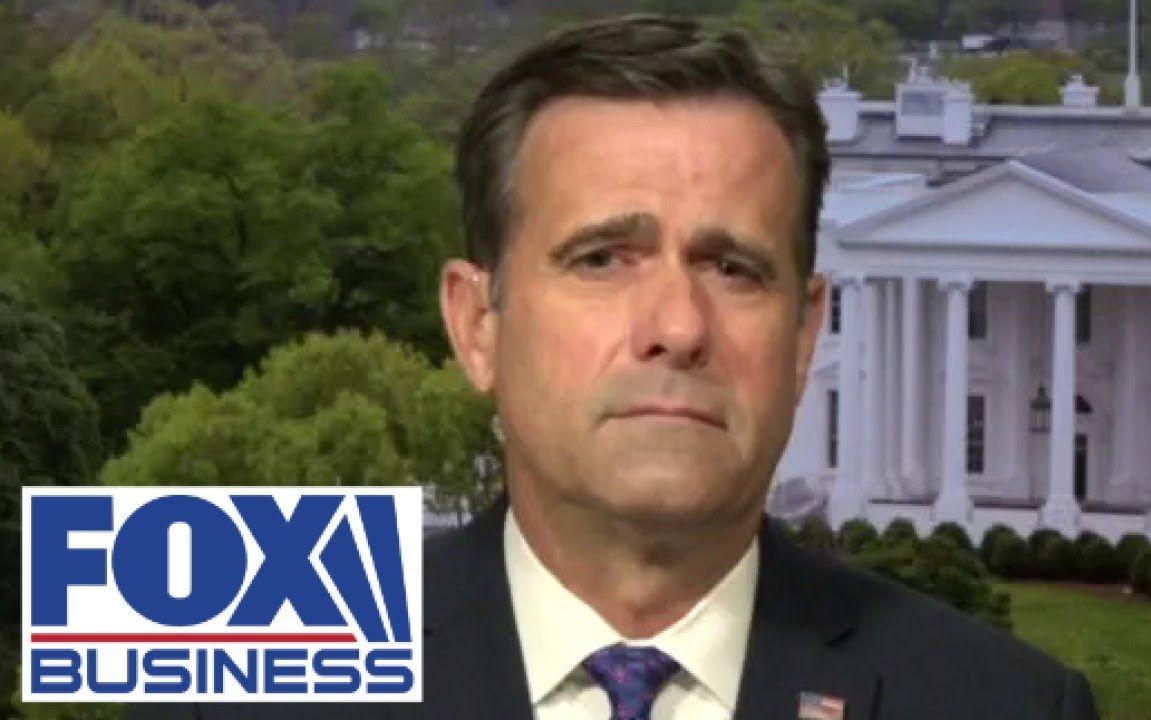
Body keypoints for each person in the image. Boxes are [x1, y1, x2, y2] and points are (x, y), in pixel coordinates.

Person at [129, 13, 1098, 720]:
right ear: (476, 325)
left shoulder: (1003, 705)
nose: (676, 327)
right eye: (601, 260)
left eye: (732, 268)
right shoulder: (233, 686)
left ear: (805, 337)